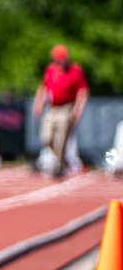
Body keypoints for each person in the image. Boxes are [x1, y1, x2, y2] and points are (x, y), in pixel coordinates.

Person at [32, 44, 89, 178]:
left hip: (66, 108)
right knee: (46, 137)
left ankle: (59, 165)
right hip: (52, 108)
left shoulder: (75, 71)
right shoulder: (50, 70)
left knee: (61, 139)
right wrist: (38, 104)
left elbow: (83, 92)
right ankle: (61, 161)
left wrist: (77, 110)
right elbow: (43, 88)